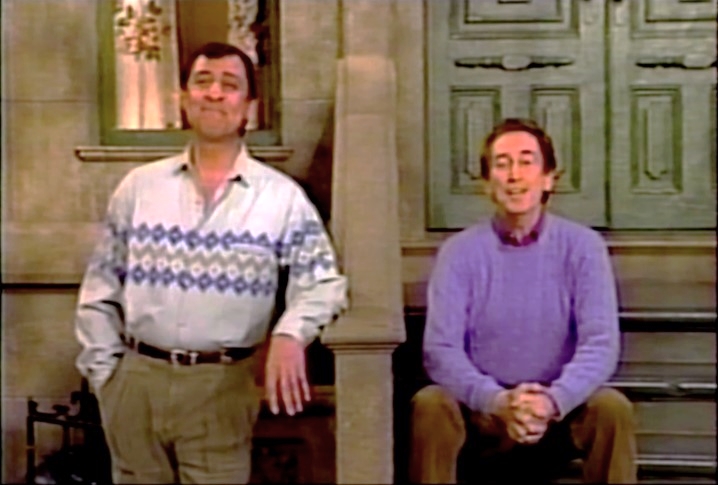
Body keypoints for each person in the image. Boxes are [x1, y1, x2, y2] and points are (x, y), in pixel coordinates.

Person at [75, 42, 347, 484]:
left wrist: (290, 334)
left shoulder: (280, 198)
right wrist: (107, 377)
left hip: (222, 388)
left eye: (229, 84)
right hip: (136, 384)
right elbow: (100, 286)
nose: (215, 93)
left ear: (249, 106)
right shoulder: (139, 188)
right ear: (183, 98)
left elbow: (322, 282)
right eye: (202, 82)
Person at [410, 118, 637, 483]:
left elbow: (600, 343)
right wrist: (498, 402)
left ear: (548, 179)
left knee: (611, 408)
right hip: (484, 413)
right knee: (431, 404)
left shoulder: (583, 247)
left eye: (527, 162)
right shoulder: (459, 253)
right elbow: (441, 350)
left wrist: (552, 401)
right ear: (487, 184)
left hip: (559, 411)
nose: (514, 175)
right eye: (502, 164)